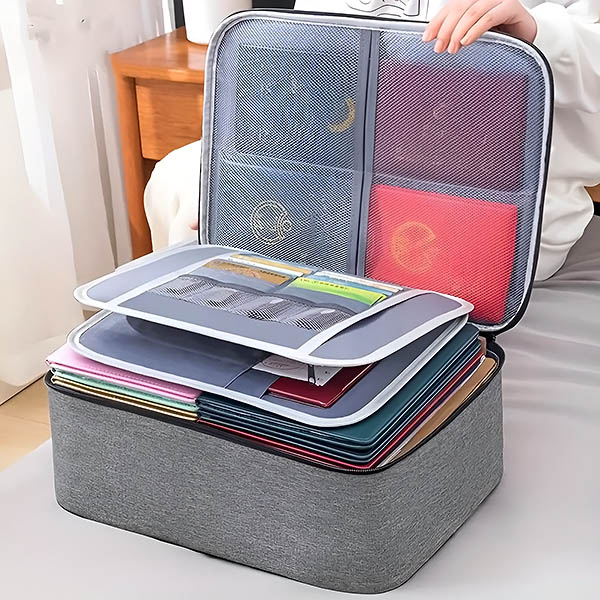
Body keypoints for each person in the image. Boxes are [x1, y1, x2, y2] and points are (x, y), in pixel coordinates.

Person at [148, 0, 599, 280]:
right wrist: (244, 181)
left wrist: (537, 33)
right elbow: (307, 70)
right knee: (184, 177)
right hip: (336, 179)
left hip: (488, 201)